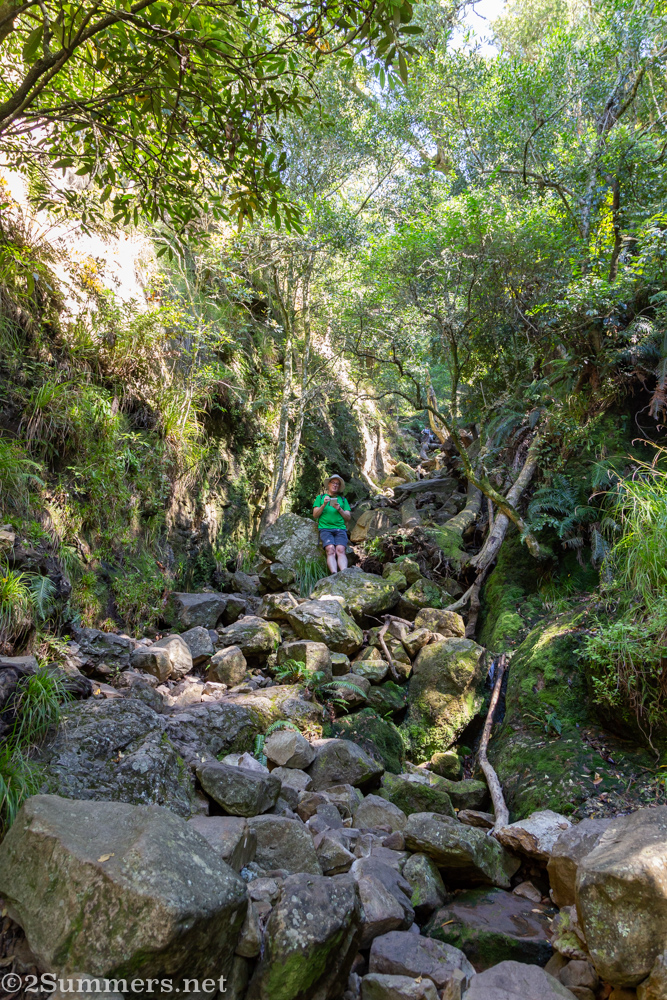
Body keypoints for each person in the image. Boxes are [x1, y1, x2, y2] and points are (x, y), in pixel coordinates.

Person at [312, 474, 351, 575]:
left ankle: (344, 573)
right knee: (330, 549)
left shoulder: (343, 500)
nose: (335, 485)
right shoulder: (320, 498)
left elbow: (348, 517)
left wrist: (339, 509)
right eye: (333, 483)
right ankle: (334, 573)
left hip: (340, 529)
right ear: (329, 484)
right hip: (325, 528)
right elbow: (315, 515)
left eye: (337, 484)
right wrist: (324, 505)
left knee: (341, 549)